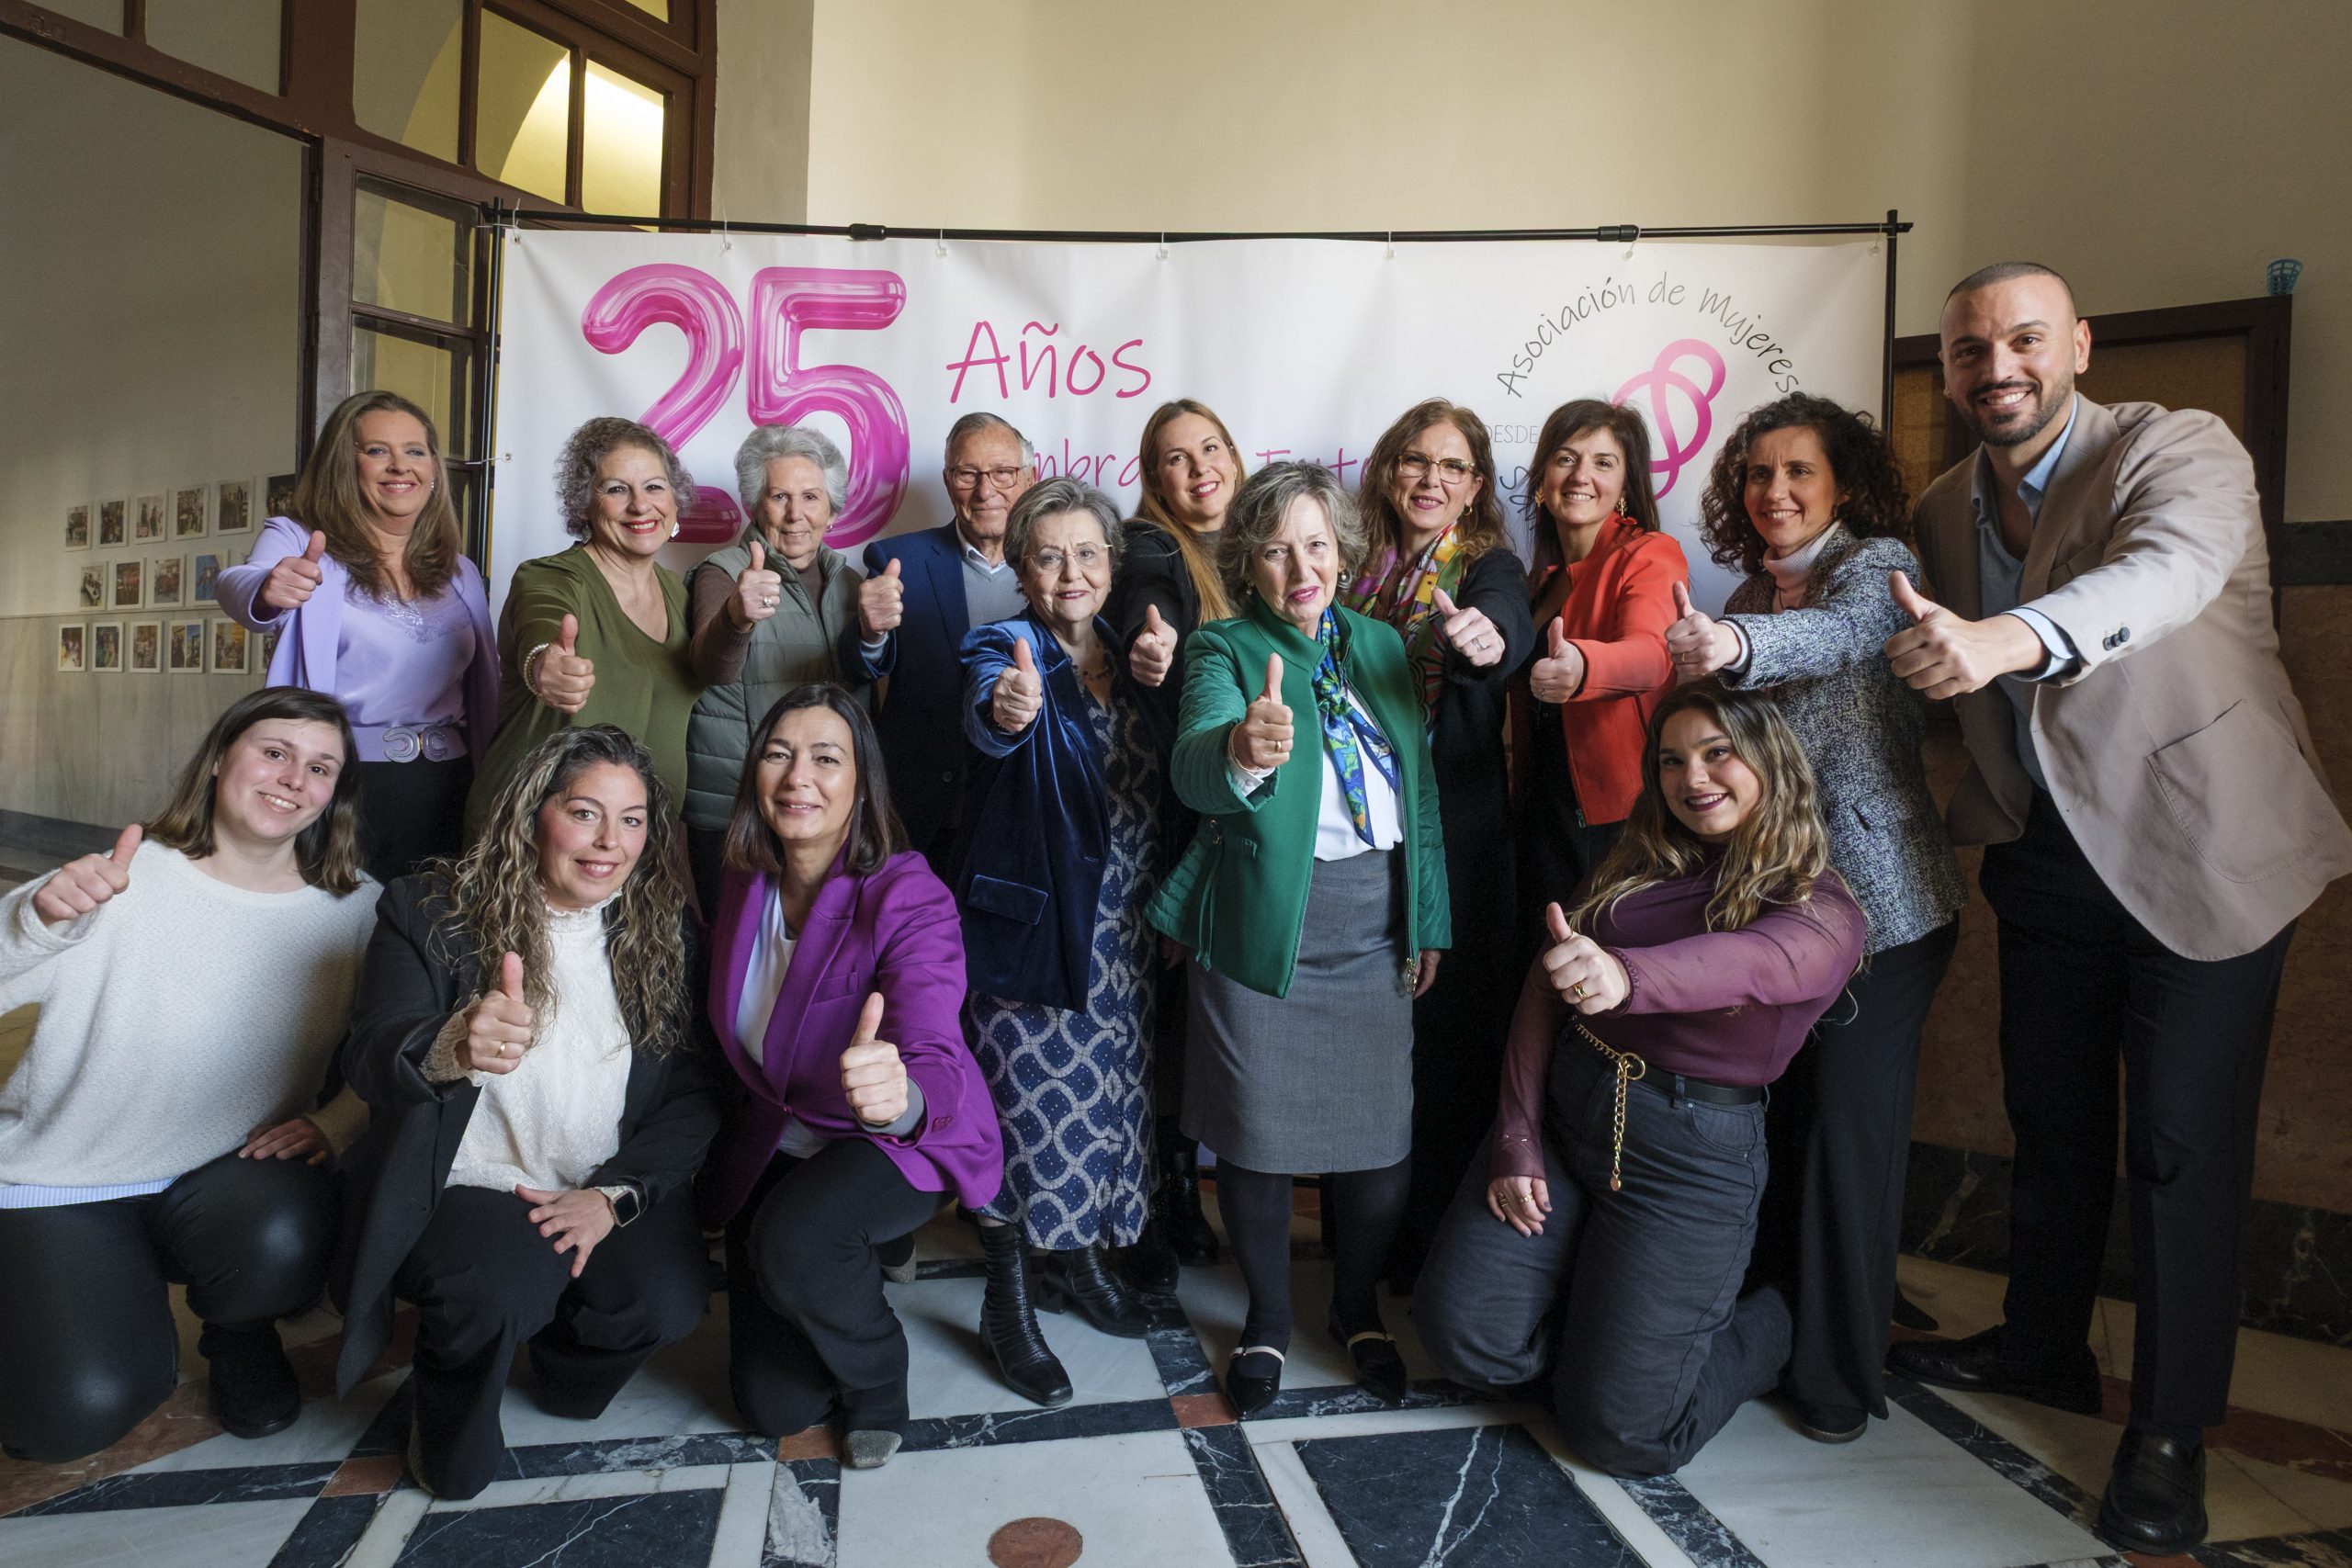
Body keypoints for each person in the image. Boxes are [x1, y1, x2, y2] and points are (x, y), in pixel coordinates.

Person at [1879, 263, 2352, 1554]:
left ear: (2077, 346)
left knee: (2184, 1144)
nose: (1997, 367)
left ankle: (2171, 1426)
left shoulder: (2177, 448)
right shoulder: (1940, 505)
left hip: (2210, 849)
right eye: (1969, 349)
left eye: (2024, 339)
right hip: (2047, 854)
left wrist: (2004, 637)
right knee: (2053, 1115)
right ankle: (2042, 1347)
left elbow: (2164, 575)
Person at [1418, 685, 1866, 1477]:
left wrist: (1625, 976)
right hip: (1568, 1117)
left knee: (1624, 1436)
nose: (1693, 777)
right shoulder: (1639, 858)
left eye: (1718, 753)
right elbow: (1544, 986)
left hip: (1691, 1160)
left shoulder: (1820, 907)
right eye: (1671, 760)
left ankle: (1777, 1322)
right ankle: (1608, 1340)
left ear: (1772, 760)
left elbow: (1751, 962)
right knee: (1464, 1340)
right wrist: (1517, 1138)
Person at [1663, 392, 1968, 1443]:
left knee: (1844, 1139)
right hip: (1782, 919)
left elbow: (1829, 640)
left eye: (1798, 471)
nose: (1775, 490)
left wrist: (1726, 643)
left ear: (1842, 484)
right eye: (1758, 473)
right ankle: (1771, 1332)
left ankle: (1838, 1381)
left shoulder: (1877, 567)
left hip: (1884, 913)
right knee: (1783, 1125)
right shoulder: (1754, 588)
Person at [335, 726, 721, 1501]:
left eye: (632, 819)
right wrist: (451, 1042)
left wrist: (612, 1196)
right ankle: (450, 1398)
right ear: (531, 813)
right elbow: (370, 1052)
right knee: (496, 1303)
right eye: (584, 812)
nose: (610, 842)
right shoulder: (431, 909)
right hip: (472, 1180)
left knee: (665, 1299)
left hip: (598, 1177)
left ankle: (561, 1358)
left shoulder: (662, 928)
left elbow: (694, 1092)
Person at [0, 689, 378, 1462]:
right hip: (64, 1178)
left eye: (320, 767)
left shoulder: (357, 909)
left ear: (335, 793)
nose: (293, 777)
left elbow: (405, 1046)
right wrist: (35, 922)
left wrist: (336, 1121)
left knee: (283, 1226)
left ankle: (239, 1329)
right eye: (274, 752)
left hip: (225, 1179)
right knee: (71, 1415)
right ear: (218, 759)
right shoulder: (118, 878)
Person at [1148, 461, 1449, 1415]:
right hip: (1259, 928)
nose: (1301, 567)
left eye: (1316, 545)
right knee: (1256, 1142)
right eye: (1277, 550)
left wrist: (1428, 917)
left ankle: (1356, 1310)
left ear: (1342, 553)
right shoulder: (1223, 648)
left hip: (1374, 922)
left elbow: (1419, 795)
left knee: (1380, 1145)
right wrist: (1241, 748)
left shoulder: (1382, 643)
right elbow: (1192, 767)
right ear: (1249, 562)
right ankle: (1269, 1321)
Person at [704, 686, 1002, 1466]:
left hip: (898, 1136)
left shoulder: (909, 893)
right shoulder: (742, 879)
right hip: (784, 1131)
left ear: (862, 783)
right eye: (778, 753)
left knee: (795, 1241)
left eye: (826, 758)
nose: (797, 776)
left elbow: (931, 1038)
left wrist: (901, 1095)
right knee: (772, 1405)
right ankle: (846, 1264)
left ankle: (879, 1376)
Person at [957, 479, 1170, 1401]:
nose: (1070, 572)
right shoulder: (1000, 646)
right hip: (1038, 932)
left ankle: (1078, 1261)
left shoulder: (1135, 652)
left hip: (1126, 933)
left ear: (1111, 564)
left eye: (1087, 553)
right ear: (1020, 567)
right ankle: (1006, 1300)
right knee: (1022, 1117)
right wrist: (1008, 708)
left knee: (1107, 1110)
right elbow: (990, 714)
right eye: (1048, 555)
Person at [1343, 398, 1535, 1284]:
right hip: (1358, 837)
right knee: (1370, 1044)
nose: (1431, 478)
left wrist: (1486, 638)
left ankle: (1430, 1254)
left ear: (1474, 486)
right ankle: (1363, 1245)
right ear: (1390, 471)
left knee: (1449, 1046)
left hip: (1454, 840)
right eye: (1416, 460)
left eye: (1452, 466)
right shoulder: (1351, 569)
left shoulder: (1486, 564)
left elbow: (1503, 620)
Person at [216, 391, 497, 880]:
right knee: (333, 921)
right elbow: (237, 585)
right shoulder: (298, 540)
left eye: (415, 451)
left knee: (437, 923)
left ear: (433, 469)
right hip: (339, 784)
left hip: (450, 786)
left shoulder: (460, 571)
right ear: (345, 466)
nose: (399, 465)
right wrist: (267, 588)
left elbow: (485, 693)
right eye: (377, 450)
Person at [1102, 399, 1250, 1279]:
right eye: (1174, 458)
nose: (1198, 469)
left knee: (1221, 1016)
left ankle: (1197, 1183)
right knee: (1167, 1012)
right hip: (1174, 816)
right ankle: (1167, 1192)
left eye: (1210, 448)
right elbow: (1146, 608)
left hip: (1255, 817)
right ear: (1154, 478)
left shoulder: (1265, 543)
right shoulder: (1151, 546)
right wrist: (1150, 644)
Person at [465, 417, 708, 837]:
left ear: (674, 497)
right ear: (584, 504)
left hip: (634, 844)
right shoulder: (548, 577)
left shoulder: (679, 592)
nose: (640, 505)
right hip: (529, 840)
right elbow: (543, 621)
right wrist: (544, 664)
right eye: (616, 489)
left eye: (654, 487)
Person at [1512, 399, 1689, 936]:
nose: (1581, 476)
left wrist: (1584, 667)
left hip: (1617, 820)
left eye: (1603, 463)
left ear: (1626, 485)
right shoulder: (1541, 580)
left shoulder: (1649, 553)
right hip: (1540, 808)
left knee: (1599, 969)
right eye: (1566, 458)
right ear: (1542, 479)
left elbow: (1652, 655)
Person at [684, 424, 870, 913]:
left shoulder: (852, 585)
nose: (795, 514)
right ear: (754, 506)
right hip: (737, 808)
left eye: (810, 497)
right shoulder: (723, 572)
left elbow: (861, 686)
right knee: (734, 946)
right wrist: (736, 617)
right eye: (779, 496)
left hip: (823, 807)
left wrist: (875, 636)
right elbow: (711, 667)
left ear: (832, 509)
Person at [839, 412, 1038, 863]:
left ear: (1030, 476)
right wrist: (870, 631)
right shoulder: (899, 561)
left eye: (1003, 473)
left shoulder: (1059, 565)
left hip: (1026, 809)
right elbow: (857, 668)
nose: (986, 491)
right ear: (949, 482)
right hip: (927, 815)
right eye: (968, 474)